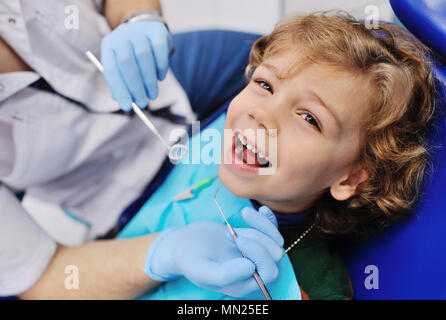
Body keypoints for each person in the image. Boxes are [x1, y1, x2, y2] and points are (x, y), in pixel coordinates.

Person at [116, 11, 440, 299]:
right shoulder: (214, 130)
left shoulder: (316, 288)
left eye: (309, 118)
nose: (263, 114)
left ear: (349, 178)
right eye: (266, 85)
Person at [0, 0, 268, 299]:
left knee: (290, 66)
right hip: (125, 191)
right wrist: (165, 253)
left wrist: (139, 17)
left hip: (169, 79)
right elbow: (43, 277)